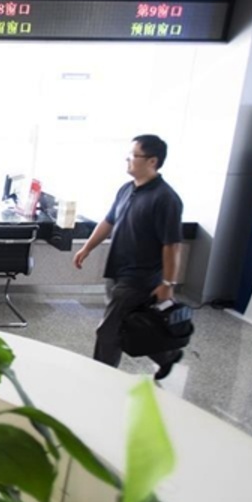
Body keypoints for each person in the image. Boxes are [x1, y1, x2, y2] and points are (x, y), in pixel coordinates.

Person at [73, 134, 184, 380]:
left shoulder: (166, 199)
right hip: (117, 270)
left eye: (134, 155)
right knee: (127, 323)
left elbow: (172, 246)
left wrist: (168, 284)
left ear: (152, 161)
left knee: (108, 331)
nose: (128, 159)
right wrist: (87, 248)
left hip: (140, 277)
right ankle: (167, 355)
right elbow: (109, 221)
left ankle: (101, 379)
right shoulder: (127, 189)